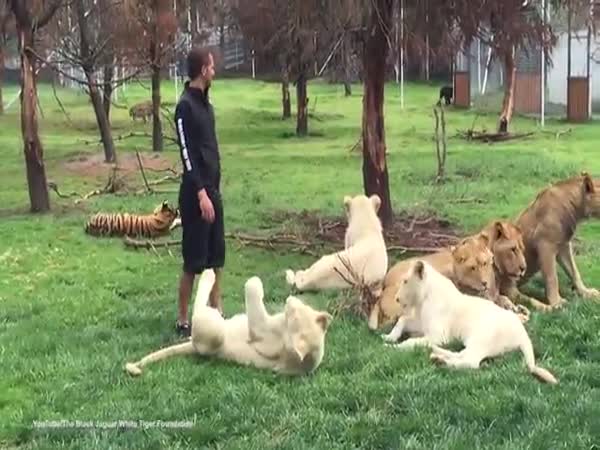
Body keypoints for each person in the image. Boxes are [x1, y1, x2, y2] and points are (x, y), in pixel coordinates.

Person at [173, 47, 224, 337]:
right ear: (203, 70)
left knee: (216, 258)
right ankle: (183, 318)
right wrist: (201, 193)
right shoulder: (184, 107)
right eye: (212, 67)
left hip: (213, 191)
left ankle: (217, 313)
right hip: (196, 195)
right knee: (194, 262)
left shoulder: (207, 106)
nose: (214, 71)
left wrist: (214, 189)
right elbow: (187, 153)